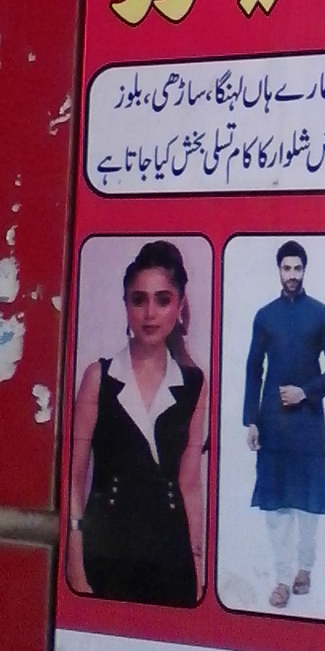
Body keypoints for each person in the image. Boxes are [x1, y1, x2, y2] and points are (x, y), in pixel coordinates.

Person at [68, 240, 207, 607]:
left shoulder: (194, 384)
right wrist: (75, 564)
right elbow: (73, 480)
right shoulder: (99, 377)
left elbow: (190, 485)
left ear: (179, 305)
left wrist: (197, 568)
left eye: (162, 300)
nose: (149, 313)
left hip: (171, 561)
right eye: (138, 299)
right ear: (125, 304)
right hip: (105, 555)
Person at [243, 240, 325, 609]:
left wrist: (305, 392)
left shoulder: (321, 315)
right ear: (279, 270)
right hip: (273, 422)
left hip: (308, 421)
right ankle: (282, 579)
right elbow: (254, 368)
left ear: (304, 270)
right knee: (276, 507)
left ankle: (305, 568)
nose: (292, 275)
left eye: (297, 268)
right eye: (286, 268)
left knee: (308, 503)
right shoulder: (265, 316)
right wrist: (251, 420)